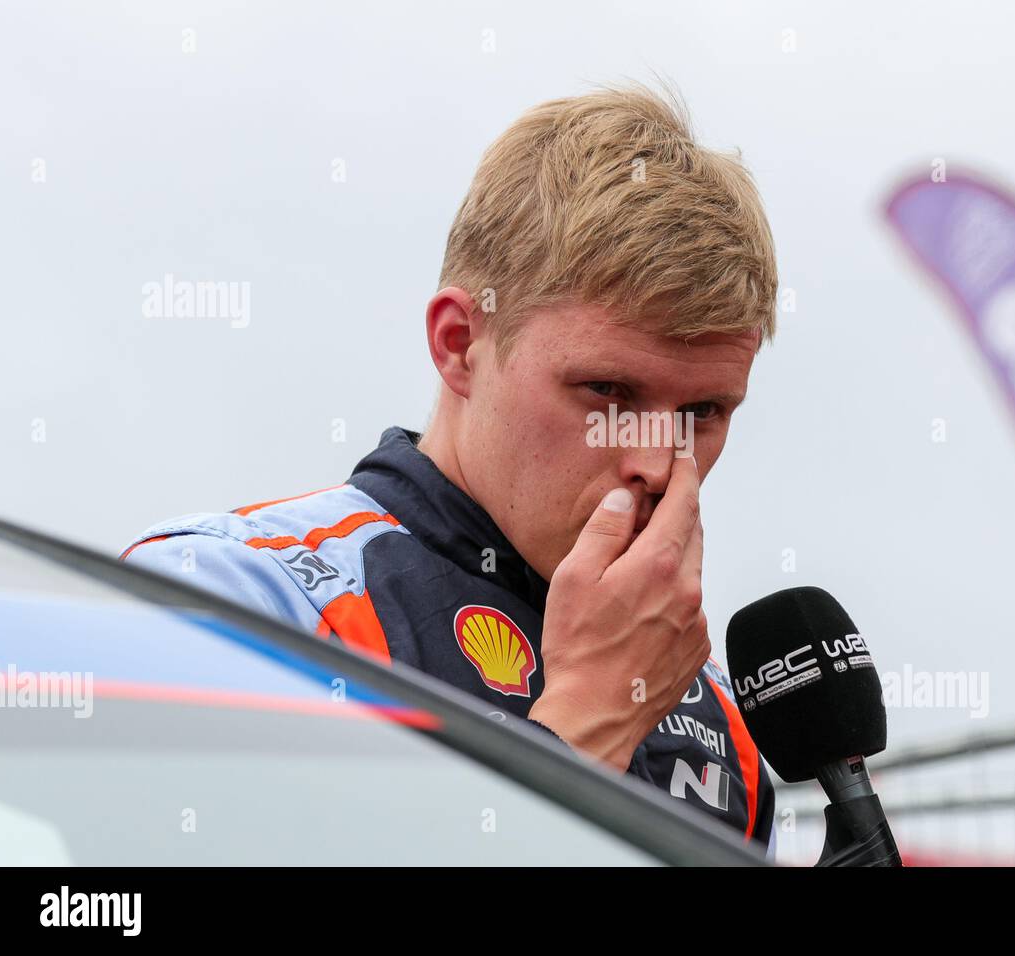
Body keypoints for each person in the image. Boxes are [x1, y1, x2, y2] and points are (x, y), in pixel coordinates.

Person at [122, 84, 778, 850]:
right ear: (459, 343)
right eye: (606, 390)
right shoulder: (233, 599)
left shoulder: (724, 724)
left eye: (702, 413)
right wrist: (582, 727)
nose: (657, 464)